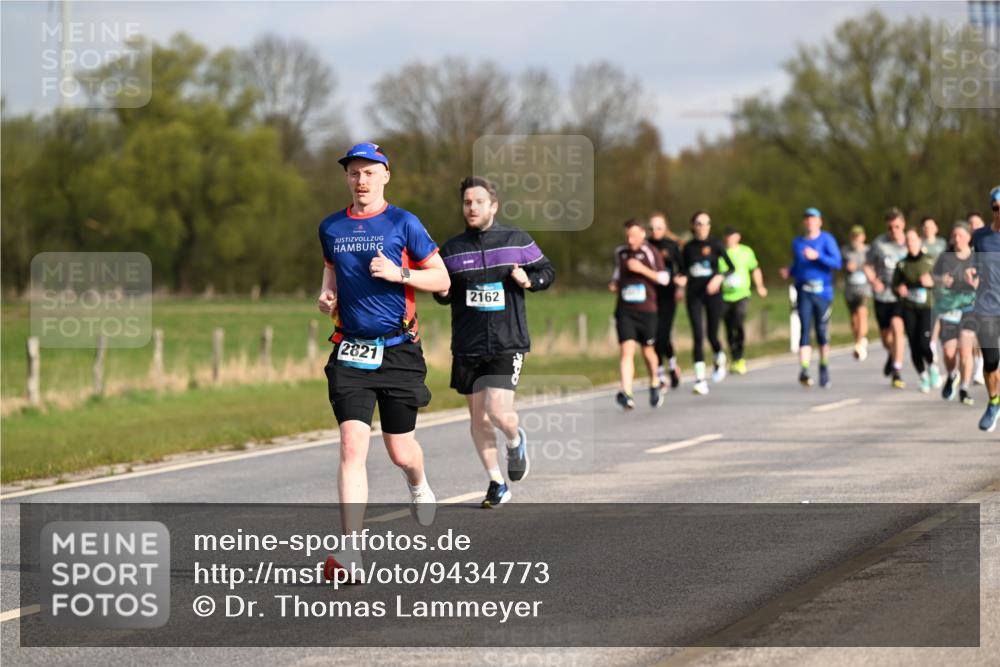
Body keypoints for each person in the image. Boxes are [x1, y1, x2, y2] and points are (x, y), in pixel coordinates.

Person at [318, 142, 451, 577]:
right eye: (354, 173)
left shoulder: (404, 222)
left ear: (385, 176)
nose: (361, 181)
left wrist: (400, 274)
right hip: (351, 350)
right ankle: (351, 553)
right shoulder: (331, 226)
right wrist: (327, 294)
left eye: (369, 173)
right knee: (351, 445)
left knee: (400, 450)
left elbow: (442, 278)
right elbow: (332, 269)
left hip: (398, 350)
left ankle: (418, 483)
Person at [434, 176, 555, 508]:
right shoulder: (452, 249)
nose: (472, 208)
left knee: (498, 411)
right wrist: (441, 292)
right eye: (467, 202)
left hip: (507, 341)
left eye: (478, 202)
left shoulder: (516, 240)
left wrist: (529, 280)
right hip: (468, 344)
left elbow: (547, 271)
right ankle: (496, 482)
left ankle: (515, 440)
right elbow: (442, 292)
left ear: (493, 206)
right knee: (478, 418)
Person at [610, 218, 669, 409]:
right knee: (627, 350)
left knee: (647, 351)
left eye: (634, 236)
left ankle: (654, 382)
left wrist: (642, 269)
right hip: (625, 310)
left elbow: (664, 278)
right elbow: (617, 273)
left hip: (647, 310)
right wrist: (614, 283)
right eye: (627, 236)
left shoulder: (651, 252)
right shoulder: (621, 252)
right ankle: (627, 393)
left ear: (642, 233)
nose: (630, 240)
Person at [676, 211, 735, 395]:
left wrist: (719, 277)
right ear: (693, 226)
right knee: (698, 335)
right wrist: (680, 284)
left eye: (706, 223)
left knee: (711, 335)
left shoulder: (716, 244)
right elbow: (683, 271)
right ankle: (700, 380)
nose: (703, 227)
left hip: (713, 295)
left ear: (710, 226)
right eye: (699, 223)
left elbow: (731, 268)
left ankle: (719, 356)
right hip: (694, 295)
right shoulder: (688, 248)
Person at [782, 207, 842, 388]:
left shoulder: (827, 240)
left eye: (813, 219)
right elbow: (798, 265)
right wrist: (789, 271)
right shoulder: (797, 242)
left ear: (819, 222)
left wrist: (818, 256)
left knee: (821, 331)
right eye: (807, 219)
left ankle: (823, 367)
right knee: (804, 329)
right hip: (804, 292)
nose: (810, 222)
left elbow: (837, 263)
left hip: (823, 292)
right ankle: (804, 370)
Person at [934, 221, 977, 405]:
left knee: (966, 350)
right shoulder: (945, 257)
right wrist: (941, 280)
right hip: (950, 308)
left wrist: (976, 282)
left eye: (961, 235)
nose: (957, 239)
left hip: (969, 308)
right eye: (954, 235)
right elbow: (933, 278)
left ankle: (964, 389)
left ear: (969, 237)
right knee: (949, 352)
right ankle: (952, 374)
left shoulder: (976, 257)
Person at [865, 208, 909, 389]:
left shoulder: (910, 242)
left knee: (898, 327)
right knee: (885, 337)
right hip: (882, 295)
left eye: (897, 226)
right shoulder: (879, 244)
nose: (894, 231)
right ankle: (892, 354)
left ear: (903, 225)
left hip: (901, 295)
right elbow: (867, 265)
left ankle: (897, 370)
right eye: (890, 227)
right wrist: (873, 280)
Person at [892, 228, 938, 393]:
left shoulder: (930, 260)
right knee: (913, 345)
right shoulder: (902, 264)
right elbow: (894, 286)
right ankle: (923, 376)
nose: (910, 243)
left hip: (927, 308)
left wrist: (932, 282)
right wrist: (899, 289)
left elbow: (944, 280)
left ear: (919, 241)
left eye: (913, 240)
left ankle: (932, 367)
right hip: (909, 308)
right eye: (908, 240)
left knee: (924, 344)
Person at [969, 186, 1000, 432]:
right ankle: (994, 402)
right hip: (987, 307)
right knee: (991, 361)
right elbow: (972, 264)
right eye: (996, 208)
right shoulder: (980, 237)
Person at [721, 227, 768, 375]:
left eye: (732, 236)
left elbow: (755, 269)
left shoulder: (746, 252)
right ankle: (734, 357)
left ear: (738, 237)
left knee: (738, 322)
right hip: (724, 296)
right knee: (729, 328)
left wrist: (760, 286)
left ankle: (740, 358)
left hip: (742, 294)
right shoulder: (721, 252)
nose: (729, 239)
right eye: (727, 236)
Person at [648, 212, 684, 389]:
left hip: (668, 296)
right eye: (652, 228)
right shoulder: (646, 246)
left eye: (659, 227)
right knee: (653, 337)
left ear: (665, 228)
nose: (655, 231)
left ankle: (672, 365)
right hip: (650, 297)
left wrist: (680, 287)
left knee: (663, 335)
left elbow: (682, 270)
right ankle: (660, 375)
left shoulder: (671, 246)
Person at [841, 225, 872, 361]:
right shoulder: (845, 251)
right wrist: (846, 268)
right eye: (854, 236)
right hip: (850, 289)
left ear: (863, 237)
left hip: (864, 289)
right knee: (854, 319)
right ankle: (860, 339)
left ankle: (859, 344)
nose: (856, 239)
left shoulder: (869, 251)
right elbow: (838, 267)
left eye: (858, 236)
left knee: (862, 313)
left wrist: (865, 268)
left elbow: (875, 266)